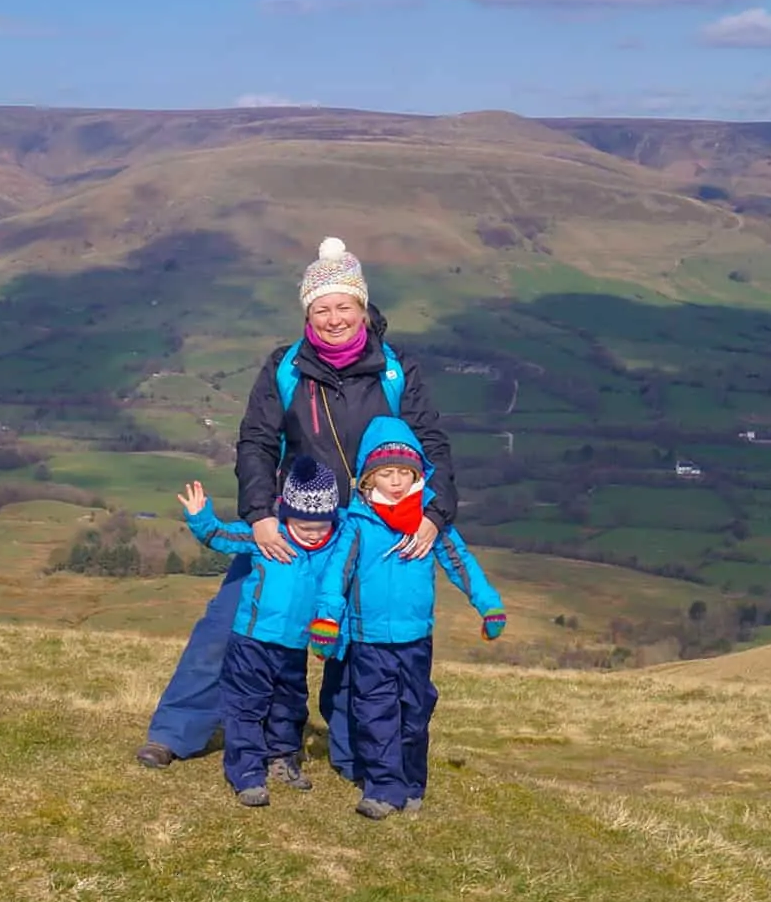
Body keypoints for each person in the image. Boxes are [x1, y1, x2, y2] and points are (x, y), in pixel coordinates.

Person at [137, 238, 458, 770]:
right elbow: (257, 443)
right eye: (321, 308)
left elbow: (433, 446)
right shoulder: (285, 368)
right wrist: (260, 516)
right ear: (308, 313)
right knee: (232, 624)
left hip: (371, 530)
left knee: (362, 648)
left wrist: (433, 513)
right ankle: (175, 732)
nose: (334, 318)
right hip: (291, 523)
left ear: (363, 309)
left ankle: (363, 757)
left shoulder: (398, 372)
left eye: (343, 306)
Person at [315, 415, 505, 820]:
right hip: (369, 641)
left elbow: (461, 564)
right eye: (387, 473)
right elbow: (336, 576)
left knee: (415, 712)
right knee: (376, 712)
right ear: (368, 479)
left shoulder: (429, 526)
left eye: (405, 472)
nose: (397, 481)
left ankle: (412, 783)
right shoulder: (358, 527)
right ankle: (383, 789)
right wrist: (327, 620)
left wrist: (488, 604)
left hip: (416, 639)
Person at [176, 457, 343, 806]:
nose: (313, 533)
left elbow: (336, 585)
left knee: (290, 704)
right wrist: (199, 516)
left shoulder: (335, 546)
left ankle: (283, 759)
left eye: (321, 526)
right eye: (305, 525)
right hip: (251, 642)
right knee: (245, 707)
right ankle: (247, 773)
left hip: (294, 648)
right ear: (287, 514)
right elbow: (221, 537)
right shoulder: (267, 536)